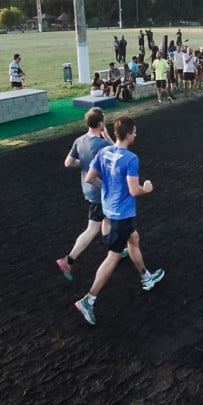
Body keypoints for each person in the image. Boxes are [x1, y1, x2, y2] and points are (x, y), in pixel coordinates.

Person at [74, 116, 165, 325]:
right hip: (121, 214)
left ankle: (146, 277)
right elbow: (134, 190)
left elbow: (90, 178)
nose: (136, 135)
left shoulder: (104, 152)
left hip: (109, 209)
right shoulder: (131, 159)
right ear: (129, 134)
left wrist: (106, 188)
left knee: (134, 238)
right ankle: (89, 299)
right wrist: (147, 189)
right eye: (135, 132)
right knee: (113, 257)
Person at [56, 109, 127, 281]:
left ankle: (114, 248)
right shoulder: (102, 144)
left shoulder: (79, 140)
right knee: (93, 228)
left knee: (106, 220)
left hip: (88, 190)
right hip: (100, 192)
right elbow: (119, 153)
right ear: (101, 123)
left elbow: (68, 163)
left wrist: (85, 164)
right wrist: (107, 136)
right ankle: (68, 260)